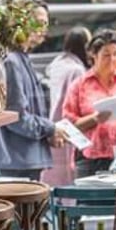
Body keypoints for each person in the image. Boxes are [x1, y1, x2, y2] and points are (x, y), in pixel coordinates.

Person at [0, 0, 64, 181]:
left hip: (22, 159)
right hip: (15, 161)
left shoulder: (21, 58)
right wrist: (50, 128)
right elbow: (15, 117)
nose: (44, 30)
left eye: (46, 24)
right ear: (20, 23)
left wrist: (49, 130)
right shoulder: (11, 61)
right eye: (39, 23)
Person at [61, 29, 116, 182]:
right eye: (106, 55)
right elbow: (67, 126)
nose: (112, 59)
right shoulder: (79, 86)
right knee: (92, 197)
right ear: (93, 55)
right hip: (91, 159)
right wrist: (94, 119)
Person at [42, 26, 91, 187]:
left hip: (53, 123)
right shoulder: (77, 71)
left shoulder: (58, 64)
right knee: (67, 173)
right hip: (68, 126)